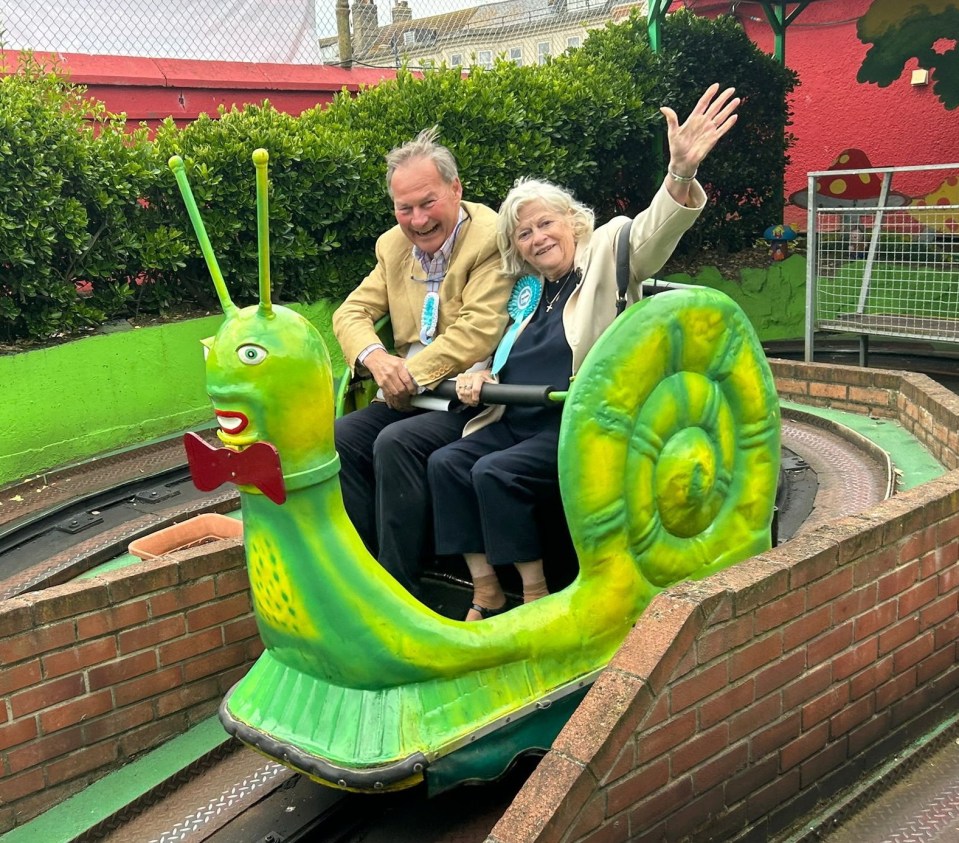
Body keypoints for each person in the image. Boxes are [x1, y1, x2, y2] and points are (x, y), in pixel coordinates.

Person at [427, 83, 741, 620]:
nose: (535, 239)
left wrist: (681, 173)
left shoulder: (609, 251)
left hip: (575, 420)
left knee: (493, 474)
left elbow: (652, 234)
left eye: (545, 223)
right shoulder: (528, 289)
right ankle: (486, 587)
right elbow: (502, 345)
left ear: (573, 221)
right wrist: (480, 371)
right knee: (446, 463)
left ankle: (534, 594)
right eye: (523, 234)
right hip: (514, 412)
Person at [333, 127, 512, 598]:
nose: (416, 219)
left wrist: (408, 372)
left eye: (427, 203)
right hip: (408, 391)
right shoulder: (392, 246)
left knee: (396, 442)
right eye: (404, 207)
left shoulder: (491, 238)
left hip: (470, 396)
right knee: (342, 436)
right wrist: (377, 359)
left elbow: (478, 329)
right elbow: (351, 312)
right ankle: (361, 569)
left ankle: (398, 588)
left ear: (456, 189)